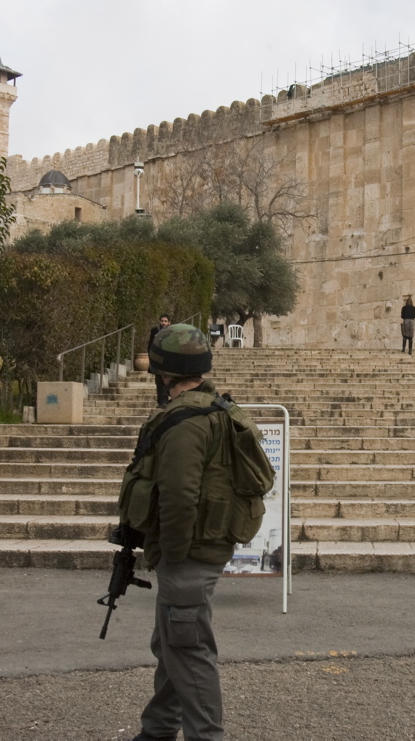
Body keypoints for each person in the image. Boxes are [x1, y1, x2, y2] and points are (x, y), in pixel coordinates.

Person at [129, 324, 233, 741]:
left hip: (187, 553)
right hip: (201, 546)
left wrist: (169, 556)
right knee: (174, 643)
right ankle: (156, 731)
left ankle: (206, 736)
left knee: (188, 651)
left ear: (164, 371)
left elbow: (178, 496)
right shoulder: (209, 406)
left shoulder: (185, 422)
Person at [148, 314, 172, 408]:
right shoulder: (155, 330)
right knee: (159, 381)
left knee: (169, 380)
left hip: (168, 360)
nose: (163, 323)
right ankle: (162, 401)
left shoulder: (172, 331)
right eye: (162, 321)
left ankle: (169, 399)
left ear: (169, 322)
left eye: (165, 321)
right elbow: (150, 345)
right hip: (158, 360)